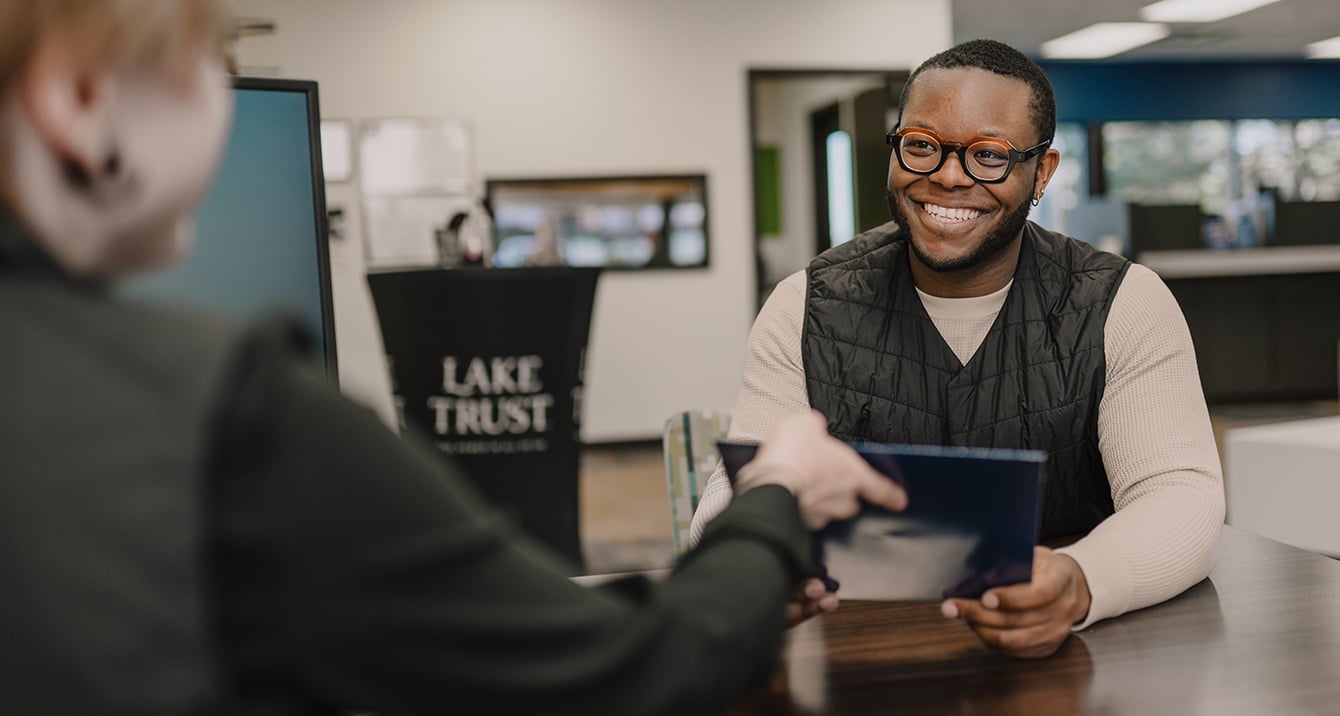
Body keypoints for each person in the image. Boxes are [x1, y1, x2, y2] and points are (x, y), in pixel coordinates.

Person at [0, 2, 909, 714]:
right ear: (80, 100)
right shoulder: (222, 411)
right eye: (212, 70)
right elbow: (627, 680)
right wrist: (777, 497)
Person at [690, 39, 1225, 659]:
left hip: (1073, 658)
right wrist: (756, 565)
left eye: (988, 155)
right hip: (859, 656)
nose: (947, 175)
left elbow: (1180, 493)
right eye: (922, 144)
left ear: (1042, 172)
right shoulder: (804, 303)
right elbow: (732, 497)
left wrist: (1080, 581)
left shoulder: (1124, 302)